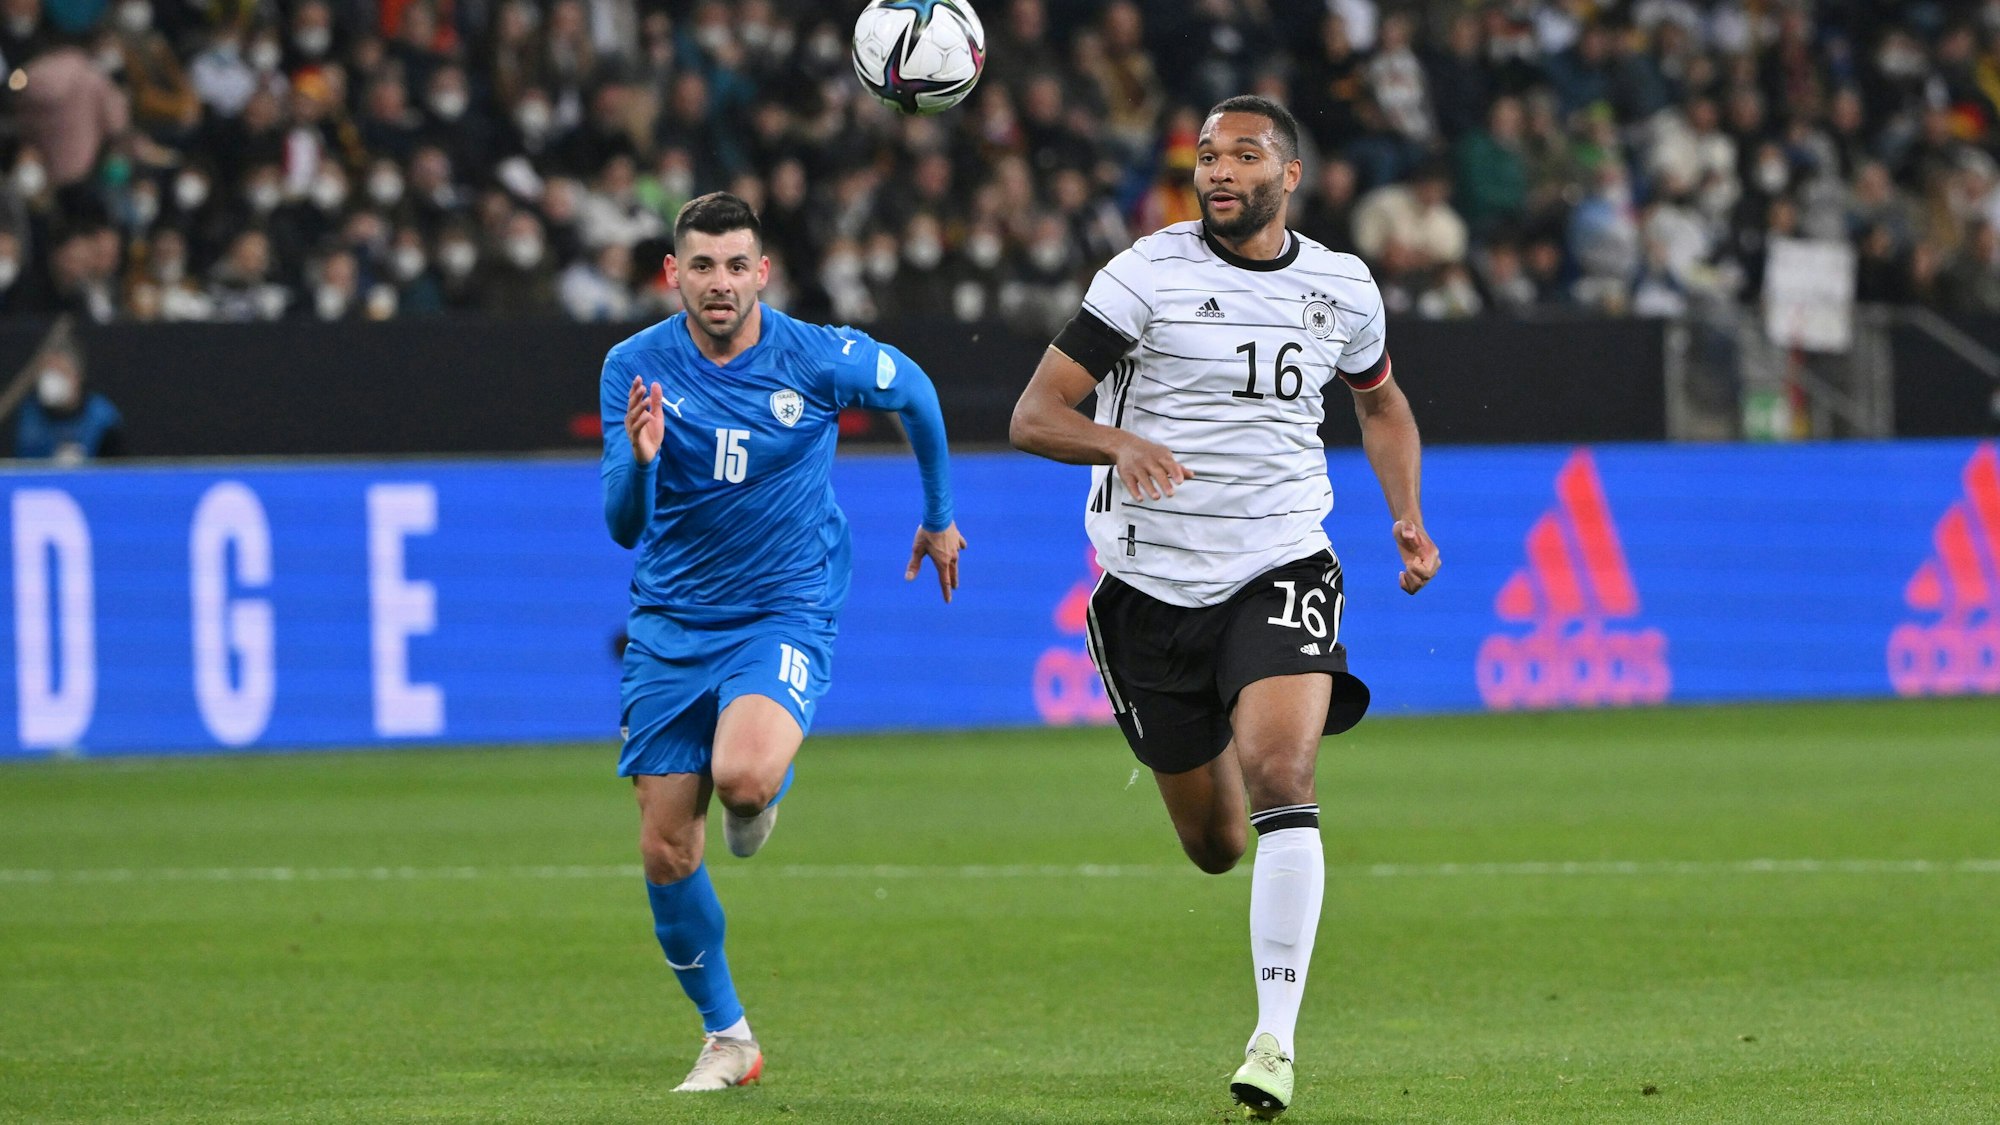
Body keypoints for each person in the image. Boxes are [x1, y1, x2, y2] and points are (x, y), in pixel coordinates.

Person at [1008, 94, 1440, 1120]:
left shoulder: (1341, 286)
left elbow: (1380, 404)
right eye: (1206, 156)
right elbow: (1034, 414)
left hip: (1282, 563)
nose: (1218, 171)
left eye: (1242, 155)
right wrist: (1119, 442)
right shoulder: (1143, 277)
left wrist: (1406, 515)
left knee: (1283, 772)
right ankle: (1229, 763)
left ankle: (1273, 1041)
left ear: (1289, 175)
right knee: (1214, 844)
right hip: (1148, 590)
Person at [599, 192, 966, 1093]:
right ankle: (728, 1037)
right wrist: (641, 461)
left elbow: (917, 392)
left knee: (743, 778)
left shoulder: (815, 355)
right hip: (672, 620)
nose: (719, 283)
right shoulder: (633, 367)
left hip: (783, 605)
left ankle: (760, 784)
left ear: (763, 272)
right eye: (701, 266)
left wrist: (938, 516)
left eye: (736, 265)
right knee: (665, 849)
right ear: (673, 274)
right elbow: (622, 525)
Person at [12, 344, 124, 461]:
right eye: (47, 372)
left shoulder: (102, 417)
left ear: (77, 376)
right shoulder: (29, 416)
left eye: (60, 372)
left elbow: (118, 467)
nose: (51, 380)